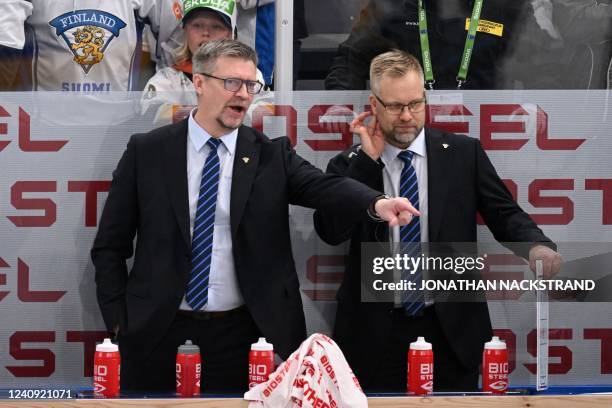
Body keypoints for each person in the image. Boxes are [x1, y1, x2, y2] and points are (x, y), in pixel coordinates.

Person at [92, 39, 418, 392]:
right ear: (199, 83)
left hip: (245, 338)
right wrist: (119, 321)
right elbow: (110, 245)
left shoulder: (270, 155)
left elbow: (324, 187)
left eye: (251, 85)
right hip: (157, 331)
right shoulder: (149, 151)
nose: (243, 95)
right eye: (231, 82)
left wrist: (376, 202)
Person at [313, 50, 563, 391]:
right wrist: (367, 164)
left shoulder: (463, 154)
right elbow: (329, 231)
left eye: (416, 104)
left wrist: (535, 246)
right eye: (395, 106)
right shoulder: (349, 165)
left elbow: (504, 213)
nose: (407, 116)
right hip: (374, 334)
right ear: (374, 104)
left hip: (451, 329)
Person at [324, 0, 525, 90]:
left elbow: (537, 59)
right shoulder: (393, 5)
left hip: (483, 124)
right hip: (409, 124)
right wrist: (341, 104)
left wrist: (532, 105)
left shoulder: (502, 5)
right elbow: (351, 58)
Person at [140, 0, 265, 119]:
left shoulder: (251, 77)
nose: (205, 32)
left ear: (232, 35)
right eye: (197, 25)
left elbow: (266, 118)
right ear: (185, 31)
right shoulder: (168, 79)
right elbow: (149, 116)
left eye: (216, 26)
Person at [0, 0, 160, 91]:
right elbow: (6, 46)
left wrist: (164, 89)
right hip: (45, 122)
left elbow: (176, 42)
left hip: (117, 123)